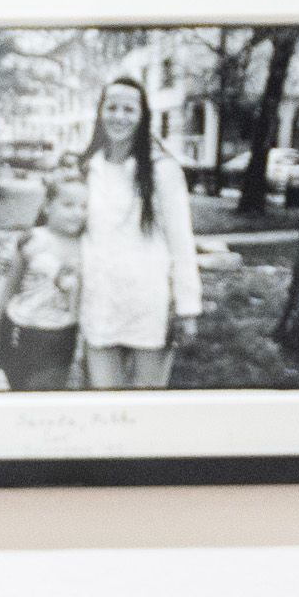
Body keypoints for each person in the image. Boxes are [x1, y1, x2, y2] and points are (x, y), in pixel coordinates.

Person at [75, 79, 205, 385]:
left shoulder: (163, 170)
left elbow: (181, 241)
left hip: (149, 305)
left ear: (142, 115)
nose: (119, 116)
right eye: (112, 107)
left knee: (146, 405)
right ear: (101, 112)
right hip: (100, 303)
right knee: (107, 403)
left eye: (129, 109)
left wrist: (187, 308)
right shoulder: (87, 168)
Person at [0, 176, 91, 391]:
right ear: (47, 206)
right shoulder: (30, 241)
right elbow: (5, 292)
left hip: (61, 337)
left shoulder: (88, 247)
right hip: (19, 332)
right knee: (21, 392)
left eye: (84, 206)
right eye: (68, 205)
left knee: (45, 392)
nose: (77, 213)